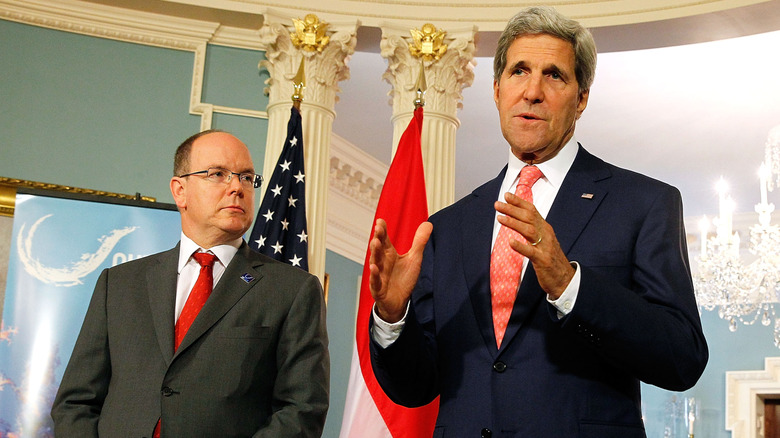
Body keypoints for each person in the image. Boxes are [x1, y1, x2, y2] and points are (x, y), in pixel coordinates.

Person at [367, 6, 708, 437]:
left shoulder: (643, 204)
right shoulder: (448, 228)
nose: (532, 91)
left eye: (554, 75)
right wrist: (393, 316)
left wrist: (571, 286)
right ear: (495, 89)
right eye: (519, 72)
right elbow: (415, 387)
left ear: (581, 98)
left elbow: (683, 358)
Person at [51, 130, 329, 437]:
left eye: (247, 178)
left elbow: (301, 410)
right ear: (180, 190)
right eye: (218, 174)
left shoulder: (292, 290)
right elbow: (75, 403)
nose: (237, 187)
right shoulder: (119, 284)